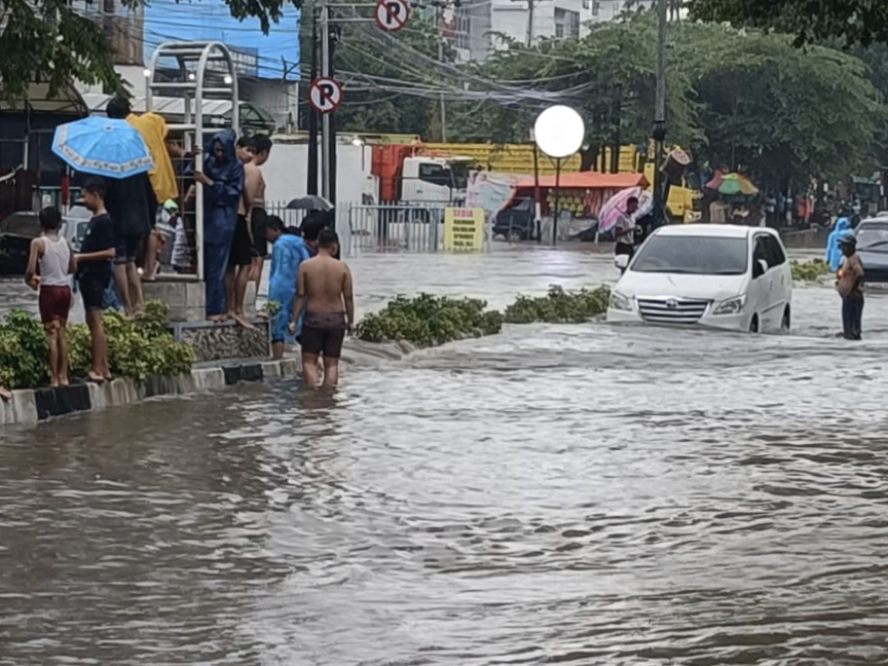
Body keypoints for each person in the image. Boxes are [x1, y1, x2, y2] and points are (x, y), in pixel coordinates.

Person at [105, 97, 157, 317]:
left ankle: (127, 306)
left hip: (119, 218)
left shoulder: (109, 148)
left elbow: (107, 188)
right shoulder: (137, 146)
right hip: (139, 218)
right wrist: (150, 220)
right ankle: (140, 305)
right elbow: (149, 190)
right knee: (131, 262)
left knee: (120, 262)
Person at [290, 228, 354, 388]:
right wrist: (350, 321)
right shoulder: (343, 268)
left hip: (313, 318)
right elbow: (348, 297)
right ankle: (328, 397)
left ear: (318, 244)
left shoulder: (305, 266)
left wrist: (294, 320)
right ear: (334, 246)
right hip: (336, 319)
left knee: (309, 361)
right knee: (332, 364)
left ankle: (312, 395)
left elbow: (300, 295)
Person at [193, 129, 244, 321]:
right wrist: (193, 156)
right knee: (207, 265)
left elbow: (234, 192)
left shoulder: (236, 167)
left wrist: (210, 183)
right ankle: (212, 306)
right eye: (217, 150)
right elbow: (190, 172)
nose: (219, 154)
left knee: (217, 267)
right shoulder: (209, 160)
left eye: (222, 150)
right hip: (205, 218)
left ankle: (215, 308)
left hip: (222, 220)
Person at [25, 207, 76, 387]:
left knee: (51, 335)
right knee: (62, 332)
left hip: (49, 290)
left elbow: (30, 270)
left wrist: (32, 280)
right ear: (60, 224)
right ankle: (64, 376)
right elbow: (73, 267)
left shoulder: (38, 243)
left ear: (41, 224)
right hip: (65, 290)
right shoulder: (65, 243)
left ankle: (53, 378)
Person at [76, 180, 117, 383]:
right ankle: (104, 366)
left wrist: (81, 257)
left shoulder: (104, 222)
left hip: (95, 276)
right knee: (91, 320)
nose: (84, 200)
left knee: (95, 320)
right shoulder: (95, 220)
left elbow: (110, 251)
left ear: (95, 195)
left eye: (86, 196)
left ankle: (98, 369)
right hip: (87, 276)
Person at [266, 216, 311, 360]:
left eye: (267, 232)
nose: (266, 237)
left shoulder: (279, 245)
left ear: (275, 229)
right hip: (299, 288)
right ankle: (312, 361)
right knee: (299, 326)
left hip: (280, 290)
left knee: (278, 327)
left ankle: (278, 359)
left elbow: (278, 271)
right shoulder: (300, 242)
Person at [226, 136, 256, 327]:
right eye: (247, 150)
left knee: (230, 266)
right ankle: (237, 308)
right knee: (244, 264)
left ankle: (230, 307)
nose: (250, 155)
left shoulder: (224, 166)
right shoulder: (241, 169)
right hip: (238, 217)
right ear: (237, 147)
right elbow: (248, 198)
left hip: (226, 219)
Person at [247, 135, 273, 303]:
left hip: (255, 215)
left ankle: (249, 297)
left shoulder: (246, 169)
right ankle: (251, 297)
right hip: (256, 214)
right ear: (263, 153)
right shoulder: (254, 171)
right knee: (257, 260)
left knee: (253, 260)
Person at [837, 235, 865, 340]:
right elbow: (845, 273)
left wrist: (851, 291)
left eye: (843, 246)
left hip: (853, 297)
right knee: (848, 327)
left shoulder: (853, 259)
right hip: (849, 297)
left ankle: (852, 339)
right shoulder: (847, 259)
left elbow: (860, 274)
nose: (842, 248)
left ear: (850, 247)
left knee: (852, 330)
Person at [614, 196, 639, 268]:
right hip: (622, 245)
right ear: (628, 205)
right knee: (623, 267)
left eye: (636, 207)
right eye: (633, 206)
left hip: (630, 245)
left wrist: (636, 230)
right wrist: (631, 229)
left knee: (630, 266)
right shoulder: (621, 218)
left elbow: (632, 232)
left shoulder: (633, 218)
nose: (635, 209)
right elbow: (617, 233)